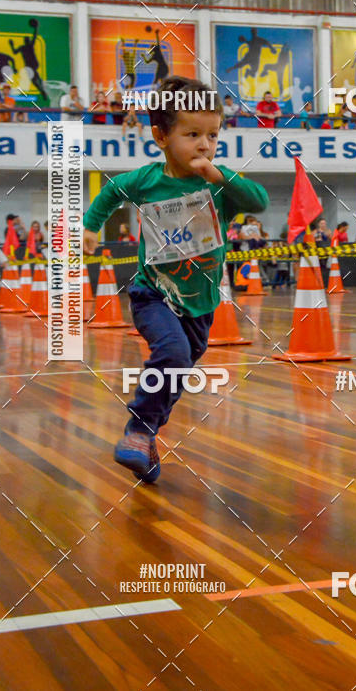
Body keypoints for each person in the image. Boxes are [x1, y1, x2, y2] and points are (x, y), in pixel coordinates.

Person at [82, 76, 269, 482]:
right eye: (192, 134)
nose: (205, 145)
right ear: (161, 136)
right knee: (171, 354)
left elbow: (260, 201)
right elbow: (110, 192)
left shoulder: (217, 185)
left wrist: (221, 177)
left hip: (201, 304)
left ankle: (148, 438)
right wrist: (91, 227)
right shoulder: (146, 181)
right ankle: (138, 430)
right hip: (153, 294)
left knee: (178, 367)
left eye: (213, 135)